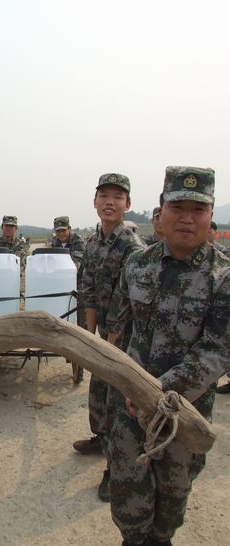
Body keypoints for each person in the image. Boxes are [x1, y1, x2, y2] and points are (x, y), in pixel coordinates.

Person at [106, 166, 230, 546]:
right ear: (161, 210)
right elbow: (120, 329)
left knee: (172, 501)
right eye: (178, 207)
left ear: (211, 216)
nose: (187, 218)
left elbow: (218, 350)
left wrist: (159, 392)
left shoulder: (222, 276)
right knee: (127, 494)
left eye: (198, 209)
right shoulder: (137, 265)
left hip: (184, 411)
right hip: (128, 408)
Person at [73, 173, 146, 503]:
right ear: (95, 201)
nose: (110, 202)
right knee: (98, 386)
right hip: (103, 332)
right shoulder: (92, 242)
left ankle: (114, 469)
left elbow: (124, 299)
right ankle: (100, 438)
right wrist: (89, 338)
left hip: (127, 336)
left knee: (119, 398)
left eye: (118, 197)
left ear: (127, 204)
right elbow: (87, 288)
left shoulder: (132, 246)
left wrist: (110, 345)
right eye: (104, 195)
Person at [51, 216, 86, 325]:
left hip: (80, 280)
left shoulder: (78, 240)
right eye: (58, 231)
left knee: (81, 313)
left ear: (69, 229)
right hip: (63, 281)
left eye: (63, 230)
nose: (61, 233)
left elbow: (76, 264)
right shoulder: (55, 242)